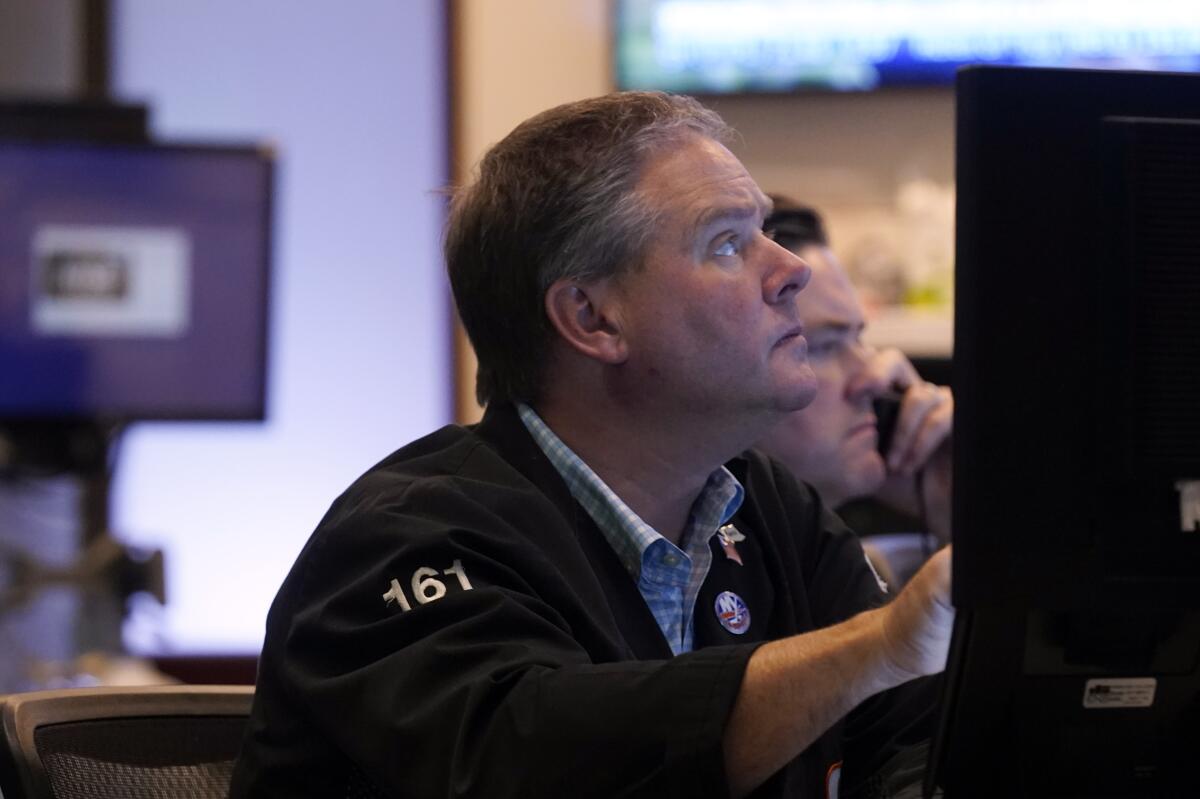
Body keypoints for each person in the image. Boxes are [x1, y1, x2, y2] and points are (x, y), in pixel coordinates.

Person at [230, 92, 953, 799]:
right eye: (728, 242)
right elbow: (542, 757)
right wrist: (874, 648)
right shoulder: (404, 537)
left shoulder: (766, 506)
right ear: (592, 317)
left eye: (763, 230)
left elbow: (918, 742)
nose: (790, 269)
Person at [757, 198, 953, 578]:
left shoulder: (867, 571)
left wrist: (952, 506)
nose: (876, 377)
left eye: (860, 338)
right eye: (825, 345)